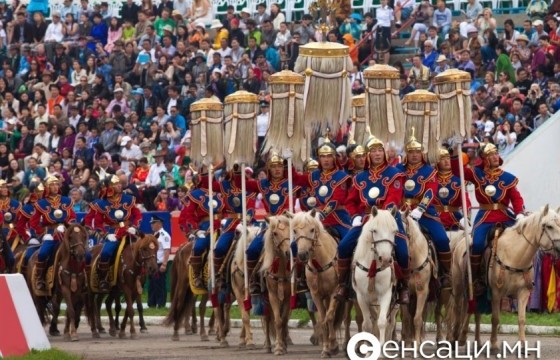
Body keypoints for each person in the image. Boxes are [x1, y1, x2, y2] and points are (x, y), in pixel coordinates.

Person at [336, 134, 410, 302]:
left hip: (389, 218)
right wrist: (355, 215)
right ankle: (343, 284)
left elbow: (393, 199)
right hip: (365, 219)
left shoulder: (395, 174)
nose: (377, 154)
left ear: (384, 153)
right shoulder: (359, 178)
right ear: (368, 155)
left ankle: (403, 286)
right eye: (373, 151)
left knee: (403, 252)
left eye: (380, 150)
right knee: (343, 246)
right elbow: (350, 201)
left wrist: (382, 216)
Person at [451, 143, 525, 295]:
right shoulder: (476, 173)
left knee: (523, 239)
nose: (494, 157)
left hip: (505, 216)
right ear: (484, 159)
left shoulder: (507, 178)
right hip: (485, 216)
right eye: (490, 155)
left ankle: (523, 276)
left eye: (496, 153)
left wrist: (519, 213)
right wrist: (455, 154)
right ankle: (476, 278)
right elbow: (458, 171)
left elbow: (516, 198)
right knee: (477, 243)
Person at [396, 130, 452, 289]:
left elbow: (430, 191)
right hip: (401, 211)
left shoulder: (430, 171)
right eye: (411, 152)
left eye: (418, 152)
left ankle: (446, 274)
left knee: (441, 239)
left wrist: (420, 209)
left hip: (425, 213)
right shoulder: (398, 170)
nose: (414, 155)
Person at [244, 153, 298, 294]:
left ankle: (301, 280)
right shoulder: (263, 184)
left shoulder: (291, 182)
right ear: (269, 169)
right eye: (273, 166)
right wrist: (239, 170)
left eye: (280, 166)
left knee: (300, 248)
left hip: (287, 223)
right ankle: (253, 280)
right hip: (269, 224)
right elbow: (243, 184)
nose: (277, 169)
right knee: (252, 250)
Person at [84, 174, 142, 292]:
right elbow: (98, 223)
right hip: (112, 233)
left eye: (119, 183)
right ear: (109, 187)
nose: (119, 185)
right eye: (116, 184)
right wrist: (106, 234)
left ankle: (141, 276)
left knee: (144, 248)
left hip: (128, 231)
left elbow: (137, 214)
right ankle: (103, 279)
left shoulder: (129, 199)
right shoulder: (101, 203)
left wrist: (134, 227)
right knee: (105, 253)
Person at [29, 175, 76, 291]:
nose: (55, 187)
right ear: (47, 187)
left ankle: (82, 278)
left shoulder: (66, 200)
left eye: (56, 184)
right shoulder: (41, 203)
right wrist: (44, 233)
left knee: (82, 252)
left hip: (66, 232)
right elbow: (34, 223)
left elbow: (72, 217)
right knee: (43, 254)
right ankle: (40, 277)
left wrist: (68, 227)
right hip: (50, 233)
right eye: (52, 185)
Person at [179, 165, 222, 290]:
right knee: (199, 246)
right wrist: (196, 229)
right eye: (207, 174)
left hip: (222, 223)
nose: (210, 176)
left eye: (212, 174)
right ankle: (197, 275)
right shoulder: (195, 194)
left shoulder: (221, 192)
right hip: (204, 225)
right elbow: (190, 215)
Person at [213, 165, 256, 290]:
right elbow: (208, 184)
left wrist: (245, 221)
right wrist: (212, 169)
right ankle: (218, 276)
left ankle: (255, 278)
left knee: (256, 247)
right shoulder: (224, 186)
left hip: (247, 224)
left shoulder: (250, 186)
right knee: (219, 248)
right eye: (235, 171)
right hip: (231, 223)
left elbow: (251, 207)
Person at [433, 149, 471, 231]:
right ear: (437, 162)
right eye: (442, 159)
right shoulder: (431, 179)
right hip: (435, 218)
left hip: (455, 218)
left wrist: (466, 216)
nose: (446, 161)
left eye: (448, 158)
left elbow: (466, 200)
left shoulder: (459, 179)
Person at [148, 215, 170, 308]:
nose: (151, 225)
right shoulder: (154, 235)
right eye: (151, 223)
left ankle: (161, 303)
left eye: (153, 223)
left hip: (160, 263)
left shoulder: (164, 235)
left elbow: (166, 250)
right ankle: (152, 303)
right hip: (153, 263)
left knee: (160, 284)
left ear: (159, 224)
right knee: (152, 284)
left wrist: (164, 264)